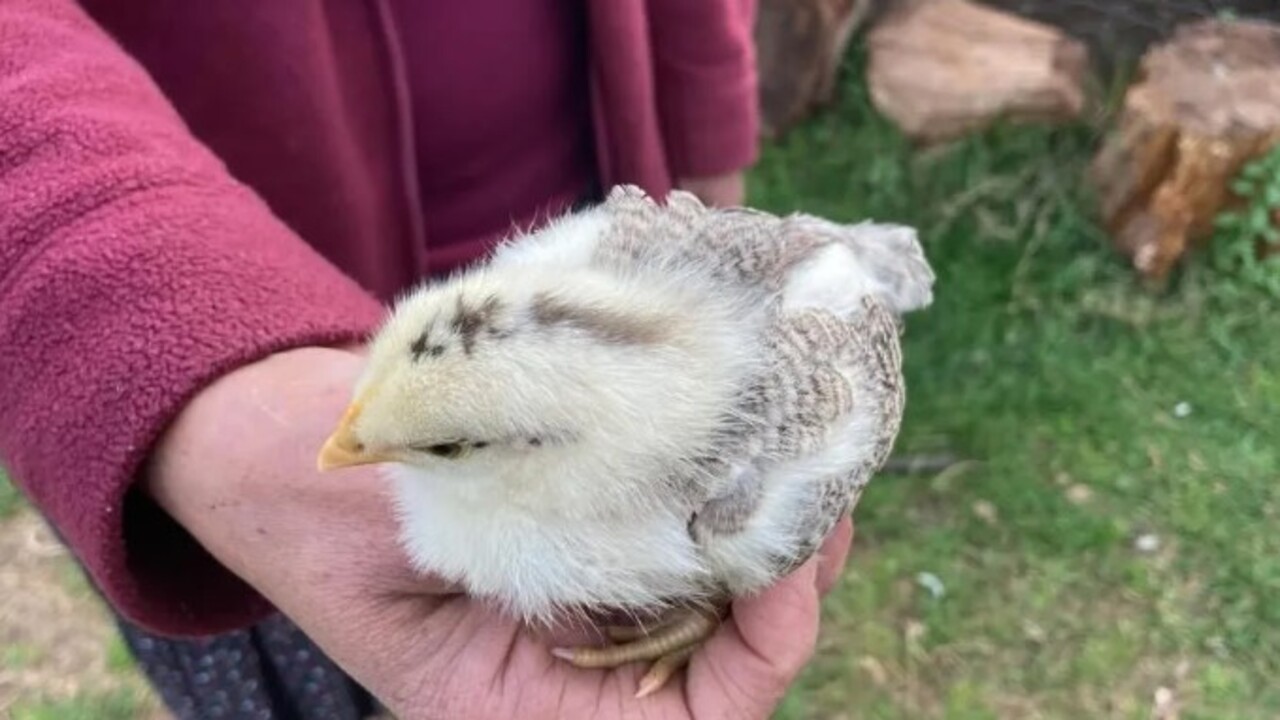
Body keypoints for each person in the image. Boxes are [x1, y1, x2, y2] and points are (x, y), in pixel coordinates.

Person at [0, 2, 854, 718]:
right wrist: (169, 352)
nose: (340, 457)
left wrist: (707, 155)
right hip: (215, 310)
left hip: (591, 233)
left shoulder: (716, 463)